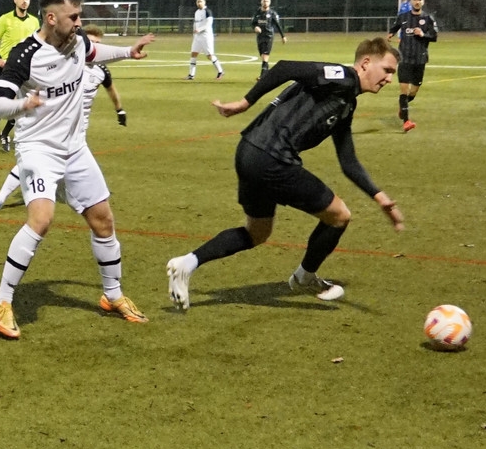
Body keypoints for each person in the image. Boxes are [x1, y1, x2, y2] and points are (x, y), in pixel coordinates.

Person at [165, 37, 405, 310]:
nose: (389, 79)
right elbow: (285, 67)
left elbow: (347, 160)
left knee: (257, 233)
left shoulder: (347, 101)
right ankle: (304, 277)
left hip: (250, 152)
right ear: (365, 63)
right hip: (272, 157)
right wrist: (245, 102)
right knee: (339, 216)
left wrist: (379, 197)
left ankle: (186, 264)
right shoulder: (342, 77)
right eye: (387, 70)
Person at [0, 0, 155, 339]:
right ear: (51, 18)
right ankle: (2, 300)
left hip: (75, 149)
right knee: (42, 219)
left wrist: (128, 51)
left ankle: (112, 296)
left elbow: (95, 51)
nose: (79, 22)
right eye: (73, 16)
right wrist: (23, 104)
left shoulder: (77, 42)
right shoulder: (24, 54)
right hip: (38, 149)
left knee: (103, 220)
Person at [0, 24, 127, 212]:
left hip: (78, 127)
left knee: (60, 165)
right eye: (90, 42)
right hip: (53, 124)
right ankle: (1, 198)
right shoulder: (65, 64)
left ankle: (80, 200)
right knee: (37, 162)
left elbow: (111, 89)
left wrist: (120, 110)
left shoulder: (100, 70)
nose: (92, 47)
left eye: (96, 44)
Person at [0, 0, 40, 153]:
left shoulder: (34, 22)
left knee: (22, 105)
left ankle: (5, 134)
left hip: (24, 69)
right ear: (15, 0)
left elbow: (37, 44)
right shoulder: (5, 19)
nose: (24, 1)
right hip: (5, 68)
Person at [387, 0, 438, 133]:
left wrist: (423, 34)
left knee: (413, 91)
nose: (417, 2)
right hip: (405, 58)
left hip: (420, 59)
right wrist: (391, 33)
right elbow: (395, 26)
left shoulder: (428, 19)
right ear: (411, 2)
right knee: (404, 90)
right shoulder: (403, 17)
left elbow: (434, 37)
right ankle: (406, 121)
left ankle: (403, 107)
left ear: (423, 2)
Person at [186, 0, 224, 80]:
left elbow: (208, 24)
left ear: (204, 2)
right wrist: (194, 32)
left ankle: (220, 71)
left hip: (206, 37)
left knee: (210, 56)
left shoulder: (207, 11)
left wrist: (199, 29)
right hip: (197, 37)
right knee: (193, 54)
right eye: (198, 2)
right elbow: (195, 23)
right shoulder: (196, 12)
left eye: (201, 2)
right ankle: (191, 75)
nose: (199, 3)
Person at [251, 0, 287, 79]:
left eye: (267, 1)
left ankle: (263, 76)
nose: (265, 3)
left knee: (265, 56)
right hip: (260, 37)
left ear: (270, 2)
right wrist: (255, 27)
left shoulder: (272, 13)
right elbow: (253, 23)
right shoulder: (257, 13)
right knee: (262, 56)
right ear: (261, 2)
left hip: (268, 36)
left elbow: (278, 25)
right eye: (264, 1)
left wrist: (283, 36)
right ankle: (267, 75)